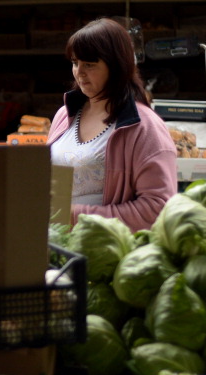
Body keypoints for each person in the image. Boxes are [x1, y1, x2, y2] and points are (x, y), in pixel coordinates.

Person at [47, 18, 177, 232]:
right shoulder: (64, 115)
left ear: (116, 66)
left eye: (90, 64)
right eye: (75, 62)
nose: (79, 72)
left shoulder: (144, 127)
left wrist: (73, 216)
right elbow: (55, 191)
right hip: (60, 247)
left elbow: (158, 209)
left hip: (111, 254)